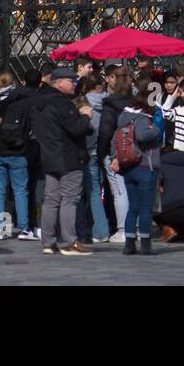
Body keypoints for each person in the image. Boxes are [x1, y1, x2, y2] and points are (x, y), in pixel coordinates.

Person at [31, 65, 93, 256]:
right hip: (68, 156)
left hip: (49, 156)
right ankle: (69, 242)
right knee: (69, 199)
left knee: (51, 200)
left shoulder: (39, 101)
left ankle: (48, 242)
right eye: (71, 80)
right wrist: (85, 116)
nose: (75, 83)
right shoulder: (61, 103)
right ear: (59, 83)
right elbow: (76, 128)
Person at [115, 81, 163, 254]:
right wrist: (157, 130)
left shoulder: (123, 118)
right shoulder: (143, 119)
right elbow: (143, 136)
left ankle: (129, 243)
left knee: (133, 207)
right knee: (145, 208)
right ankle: (145, 243)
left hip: (128, 167)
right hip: (144, 166)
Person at [97, 66, 134, 244]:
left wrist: (101, 152)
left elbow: (105, 132)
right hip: (135, 151)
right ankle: (135, 226)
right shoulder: (137, 102)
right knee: (133, 189)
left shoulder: (110, 104)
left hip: (115, 153)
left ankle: (122, 229)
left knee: (119, 191)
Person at [76, 75, 110, 244]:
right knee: (108, 190)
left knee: (93, 191)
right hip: (105, 149)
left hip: (89, 150)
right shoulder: (108, 101)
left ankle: (100, 229)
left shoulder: (83, 103)